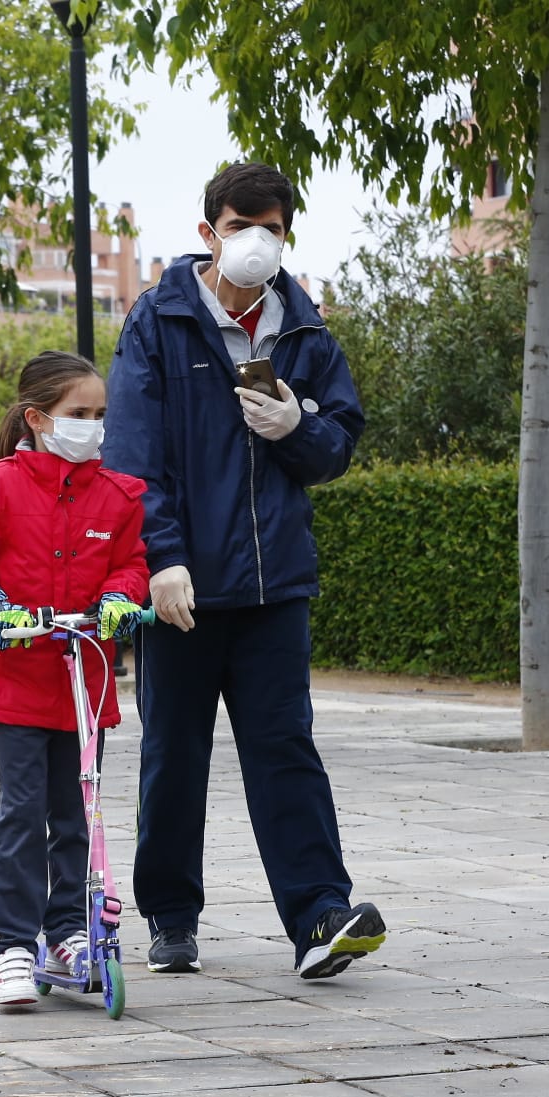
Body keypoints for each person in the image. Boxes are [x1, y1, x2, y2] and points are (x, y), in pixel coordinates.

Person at [102, 161, 385, 981]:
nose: (255, 243)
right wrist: (163, 560)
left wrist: (298, 425)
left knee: (285, 750)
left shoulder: (304, 328)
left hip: (274, 587)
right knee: (175, 755)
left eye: (271, 229)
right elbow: (132, 458)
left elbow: (336, 445)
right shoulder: (159, 320)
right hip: (184, 588)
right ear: (208, 233)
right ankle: (172, 915)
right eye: (239, 227)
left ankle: (321, 916)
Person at [0, 351, 150, 1008]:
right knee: (23, 814)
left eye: (100, 415)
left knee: (79, 812)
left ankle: (67, 932)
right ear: (38, 418)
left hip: (86, 682)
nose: (92, 426)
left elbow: (129, 564)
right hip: (16, 682)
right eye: (78, 414)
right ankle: (14, 947)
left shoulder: (119, 494)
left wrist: (119, 597)